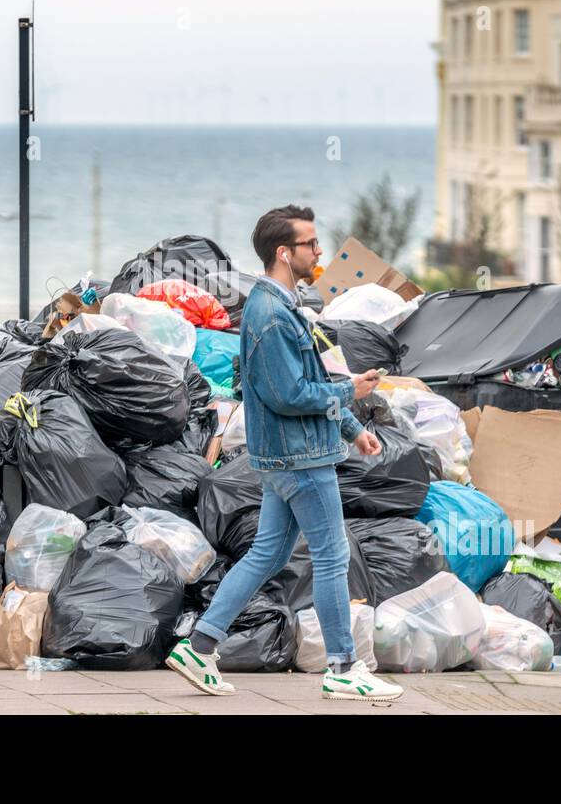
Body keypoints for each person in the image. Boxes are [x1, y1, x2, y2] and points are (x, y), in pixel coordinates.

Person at [165, 204, 404, 702]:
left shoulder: (284, 304)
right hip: (300, 459)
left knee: (267, 553)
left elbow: (311, 379)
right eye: (311, 244)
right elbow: (288, 394)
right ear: (283, 252)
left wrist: (353, 427)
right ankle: (342, 667)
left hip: (291, 454)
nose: (319, 252)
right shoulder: (271, 314)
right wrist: (349, 395)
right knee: (333, 556)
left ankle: (200, 645)